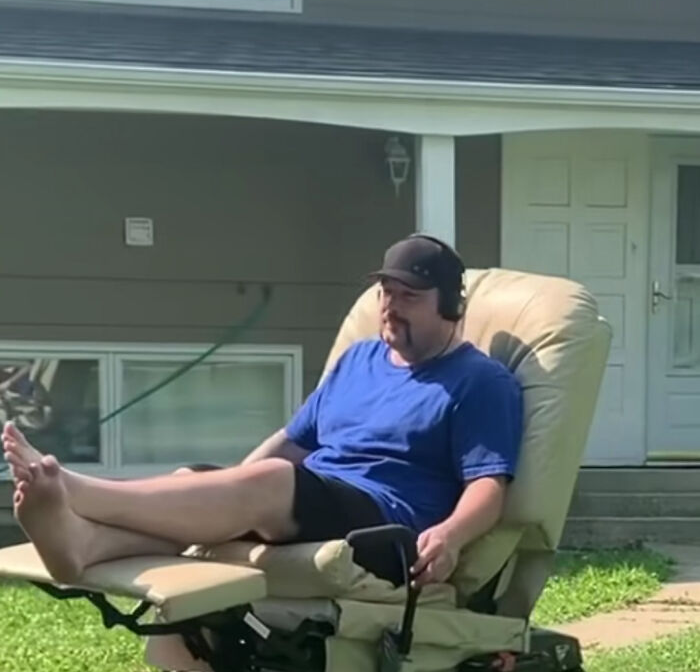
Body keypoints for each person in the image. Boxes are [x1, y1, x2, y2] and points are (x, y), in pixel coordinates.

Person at [1, 234, 523, 591]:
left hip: (386, 528)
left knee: (271, 481)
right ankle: (84, 544)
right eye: (385, 293)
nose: (390, 306)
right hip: (311, 501)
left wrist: (451, 536)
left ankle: (79, 490)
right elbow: (293, 440)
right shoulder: (359, 359)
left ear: (450, 306)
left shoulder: (479, 381)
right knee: (197, 482)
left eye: (409, 296)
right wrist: (225, 490)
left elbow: (488, 486)